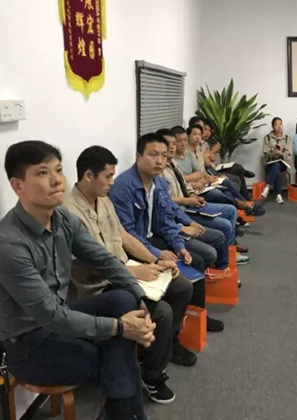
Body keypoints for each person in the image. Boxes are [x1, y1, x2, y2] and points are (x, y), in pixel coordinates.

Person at [0, 141, 160, 420]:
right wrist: (122, 328)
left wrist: (141, 301)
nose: (57, 180)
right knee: (117, 356)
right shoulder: (9, 244)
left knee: (122, 300)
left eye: (58, 170)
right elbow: (51, 315)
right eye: (43, 173)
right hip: (30, 344)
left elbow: (105, 260)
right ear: (18, 185)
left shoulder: (62, 218)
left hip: (62, 321)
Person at [66, 146, 195, 405]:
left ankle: (163, 346)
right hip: (98, 286)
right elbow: (92, 262)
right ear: (89, 176)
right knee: (161, 312)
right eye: (108, 176)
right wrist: (135, 271)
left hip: (125, 271)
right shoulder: (69, 213)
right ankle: (152, 376)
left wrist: (155, 260)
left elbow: (124, 236)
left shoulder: (103, 200)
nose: (112, 182)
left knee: (182, 286)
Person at [108, 133, 226, 332]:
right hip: (134, 247)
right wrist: (157, 253)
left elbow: (166, 223)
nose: (160, 161)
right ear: (138, 157)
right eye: (153, 155)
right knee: (182, 275)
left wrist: (179, 247)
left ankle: (197, 316)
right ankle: (175, 327)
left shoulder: (160, 184)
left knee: (195, 260)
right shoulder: (123, 186)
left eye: (163, 156)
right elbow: (127, 233)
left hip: (154, 238)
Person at [158, 129, 246, 266]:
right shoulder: (159, 171)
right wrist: (188, 201)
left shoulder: (173, 164)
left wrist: (192, 195)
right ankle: (225, 263)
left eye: (174, 143)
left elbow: (185, 184)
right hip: (184, 210)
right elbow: (167, 201)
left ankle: (231, 250)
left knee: (230, 209)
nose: (172, 147)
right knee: (225, 225)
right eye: (168, 144)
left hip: (189, 204)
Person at [182, 125, 263, 215]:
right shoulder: (186, 154)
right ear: (188, 136)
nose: (198, 137)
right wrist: (204, 178)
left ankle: (245, 205)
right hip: (197, 187)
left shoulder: (198, 150)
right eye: (194, 134)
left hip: (206, 180)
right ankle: (245, 206)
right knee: (220, 192)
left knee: (227, 181)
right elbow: (196, 173)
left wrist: (211, 177)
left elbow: (203, 170)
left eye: (200, 135)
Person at [262, 117, 291, 204]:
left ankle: (267, 187)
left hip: (283, 164)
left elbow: (289, 152)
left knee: (277, 165)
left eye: (280, 124)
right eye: (276, 124)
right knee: (276, 167)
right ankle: (278, 195)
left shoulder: (287, 138)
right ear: (273, 126)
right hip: (270, 163)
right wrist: (274, 153)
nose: (279, 126)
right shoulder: (267, 138)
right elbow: (265, 152)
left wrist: (281, 153)